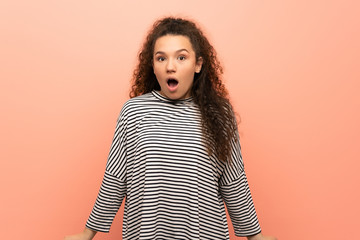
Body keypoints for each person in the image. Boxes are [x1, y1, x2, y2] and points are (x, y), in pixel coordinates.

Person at [64, 17, 277, 240]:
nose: (170, 66)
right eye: (161, 58)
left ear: (198, 64)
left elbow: (233, 181)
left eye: (181, 57)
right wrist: (88, 233)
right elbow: (116, 178)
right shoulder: (134, 111)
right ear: (153, 65)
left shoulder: (219, 113)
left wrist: (255, 236)